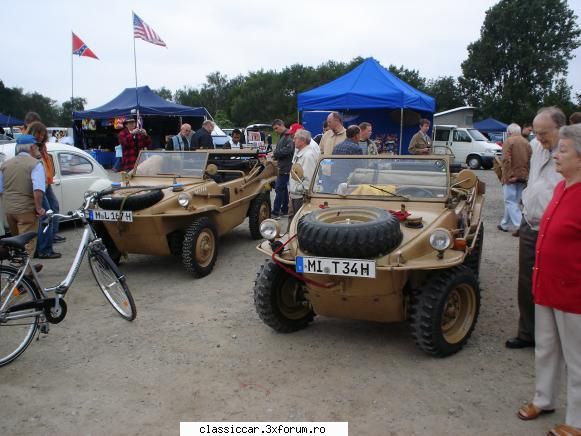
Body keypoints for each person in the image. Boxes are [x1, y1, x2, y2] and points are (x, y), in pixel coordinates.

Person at [516, 124, 581, 435]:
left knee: (577, 358)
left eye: (563, 151)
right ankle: (544, 399)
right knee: (545, 347)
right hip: (547, 284)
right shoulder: (562, 187)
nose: (556, 155)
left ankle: (577, 421)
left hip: (574, 290)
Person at [506, 107, 565, 349]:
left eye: (544, 133)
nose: (539, 137)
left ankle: (558, 338)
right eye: (537, 132)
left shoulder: (570, 151)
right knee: (527, 280)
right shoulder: (538, 146)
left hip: (557, 229)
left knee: (557, 283)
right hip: (531, 223)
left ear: (560, 129)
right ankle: (527, 333)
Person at [0, 135, 46, 255]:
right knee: (28, 245)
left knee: (16, 243)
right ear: (31, 147)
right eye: (36, 147)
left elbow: (1, 189)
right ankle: (25, 272)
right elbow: (38, 190)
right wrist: (38, 208)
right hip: (26, 210)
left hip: (9, 210)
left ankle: (23, 269)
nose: (38, 149)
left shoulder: (5, 164)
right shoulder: (35, 164)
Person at [27, 122, 64, 259]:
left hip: (45, 182)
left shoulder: (42, 146)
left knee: (52, 210)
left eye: (43, 134)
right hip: (39, 184)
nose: (42, 136)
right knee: (46, 214)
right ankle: (44, 249)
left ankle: (48, 240)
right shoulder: (32, 147)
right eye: (39, 134)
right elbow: (35, 165)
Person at [497, 123, 532, 234]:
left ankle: (519, 225)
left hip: (511, 177)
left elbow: (506, 160)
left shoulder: (509, 141)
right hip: (523, 176)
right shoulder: (526, 142)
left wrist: (510, 175)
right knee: (514, 202)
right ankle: (505, 224)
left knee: (510, 201)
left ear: (509, 132)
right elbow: (530, 159)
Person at [289, 129, 319, 221]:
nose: (293, 140)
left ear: (303, 140)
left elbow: (309, 178)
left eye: (295, 138)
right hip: (296, 195)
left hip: (301, 196)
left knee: (300, 221)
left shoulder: (308, 156)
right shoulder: (301, 153)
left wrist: (302, 193)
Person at [271, 119, 294, 218]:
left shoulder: (288, 135)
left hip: (286, 167)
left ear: (281, 125)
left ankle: (276, 212)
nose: (275, 131)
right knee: (283, 189)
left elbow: (289, 149)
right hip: (283, 166)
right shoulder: (283, 136)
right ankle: (284, 209)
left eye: (276, 128)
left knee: (279, 188)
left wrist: (276, 153)